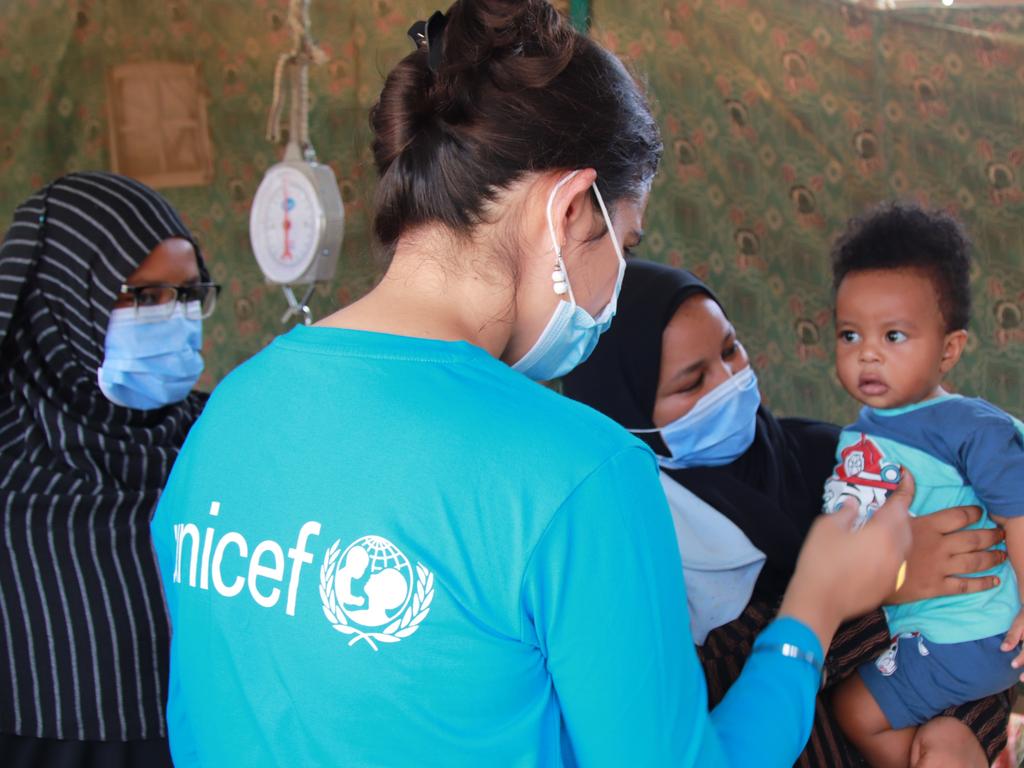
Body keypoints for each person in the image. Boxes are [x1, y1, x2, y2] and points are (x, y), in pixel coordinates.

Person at [150, 2, 909, 765]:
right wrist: (815, 607)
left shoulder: (233, 409)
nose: (619, 282)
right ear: (572, 208)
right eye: (626, 239)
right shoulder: (578, 472)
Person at [561, 258, 1013, 767]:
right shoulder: (632, 557)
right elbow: (713, 704)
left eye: (731, 349)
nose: (731, 381)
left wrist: (971, 730)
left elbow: (974, 622)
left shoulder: (838, 458)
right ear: (624, 417)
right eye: (692, 383)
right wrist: (878, 593)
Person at [0, 172, 219, 767]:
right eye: (145, 296)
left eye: (189, 292)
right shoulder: (12, 476)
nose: (176, 317)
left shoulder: (218, 438)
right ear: (63, 303)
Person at [824, 203, 1024, 768]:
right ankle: (950, 746)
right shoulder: (867, 432)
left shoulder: (966, 427)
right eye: (849, 333)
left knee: (856, 713)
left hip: (972, 634)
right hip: (932, 629)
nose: (867, 352)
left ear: (949, 350)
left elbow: (1019, 512)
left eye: (893, 335)